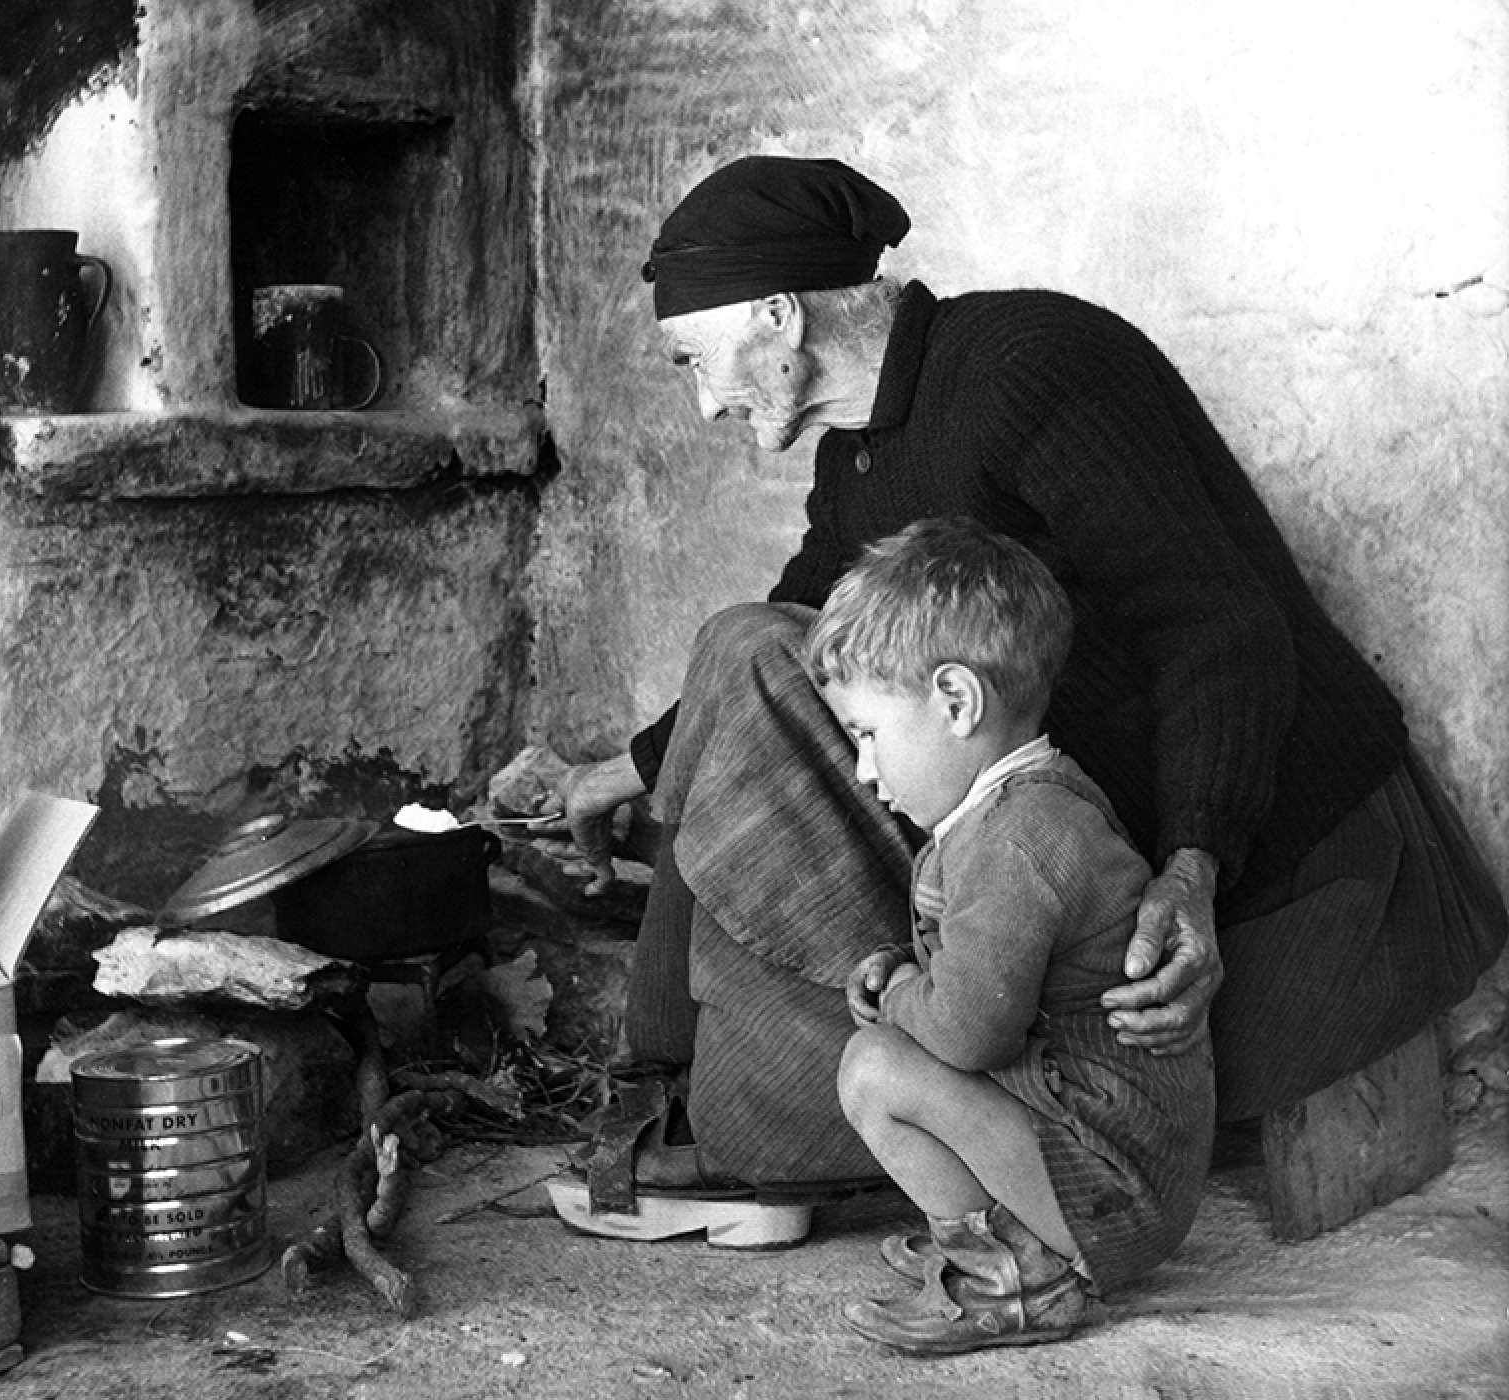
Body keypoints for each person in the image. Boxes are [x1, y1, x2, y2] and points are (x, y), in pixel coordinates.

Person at [538, 155, 1505, 1240]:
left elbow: (1217, 624)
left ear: (778, 315)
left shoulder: (1031, 367)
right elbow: (793, 626)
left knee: (755, 665)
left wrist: (1194, 863)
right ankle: (685, 1089)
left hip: (1281, 842)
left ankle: (756, 1121)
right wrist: (617, 772)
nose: (706, 399)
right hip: (1073, 814)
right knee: (750, 651)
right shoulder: (859, 456)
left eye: (696, 360)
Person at [811, 517, 1213, 1353]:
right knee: (891, 1049)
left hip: (1115, 1191)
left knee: (874, 1068)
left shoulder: (1021, 838)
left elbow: (967, 1031)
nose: (865, 771)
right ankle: (1003, 1239)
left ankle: (1017, 1276)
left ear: (956, 702)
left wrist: (897, 994)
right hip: (1107, 1165)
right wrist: (903, 969)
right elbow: (983, 973)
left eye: (868, 734)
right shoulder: (1017, 810)